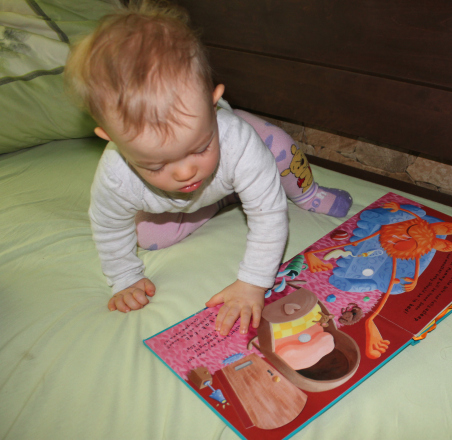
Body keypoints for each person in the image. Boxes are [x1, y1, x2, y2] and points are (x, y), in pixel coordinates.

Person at [64, 1, 352, 336]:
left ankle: (307, 193)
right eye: (155, 164)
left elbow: (269, 215)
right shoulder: (117, 176)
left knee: (279, 149)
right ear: (109, 139)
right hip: (200, 194)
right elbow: (110, 227)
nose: (186, 172)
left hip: (240, 157)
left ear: (213, 103)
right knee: (146, 236)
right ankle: (222, 197)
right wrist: (124, 276)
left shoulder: (235, 138)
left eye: (199, 147)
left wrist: (252, 283)